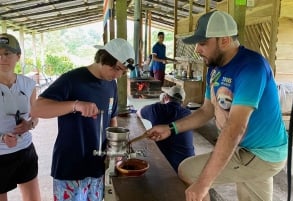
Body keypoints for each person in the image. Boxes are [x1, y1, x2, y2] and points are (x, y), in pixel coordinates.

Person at [147, 10, 287, 201]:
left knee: (189, 172)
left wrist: (203, 184)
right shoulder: (215, 67)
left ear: (224, 41)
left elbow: (235, 128)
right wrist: (171, 128)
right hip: (247, 148)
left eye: (203, 43)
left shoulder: (251, 67)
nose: (197, 49)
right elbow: (206, 111)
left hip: (261, 154)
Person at [31, 38, 135, 201]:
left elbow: (111, 119)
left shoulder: (111, 85)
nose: (118, 75)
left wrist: (114, 149)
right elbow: (37, 108)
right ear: (103, 58)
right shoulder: (72, 79)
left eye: (123, 72)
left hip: (97, 168)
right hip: (70, 167)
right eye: (116, 69)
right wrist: (75, 105)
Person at [0, 33, 40, 201]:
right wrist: (3, 138)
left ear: (18, 56)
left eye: (7, 53)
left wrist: (29, 125)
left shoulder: (28, 84)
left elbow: (36, 116)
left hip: (25, 150)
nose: (2, 58)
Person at [136, 86, 195, 172]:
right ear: (182, 102)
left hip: (165, 166)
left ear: (166, 97)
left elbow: (138, 112)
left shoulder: (156, 108)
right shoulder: (188, 113)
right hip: (188, 164)